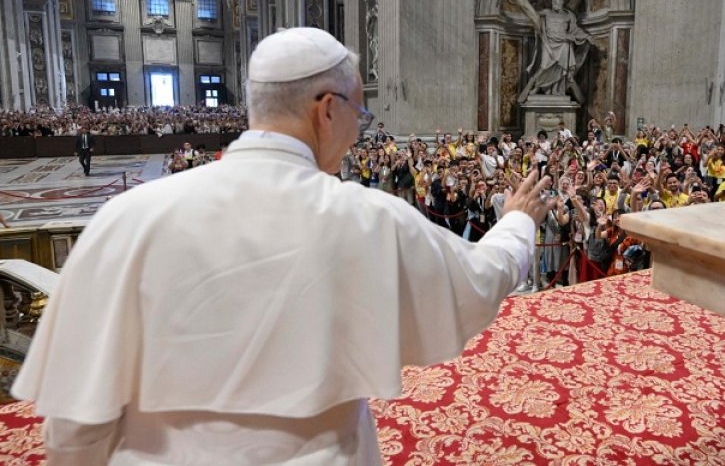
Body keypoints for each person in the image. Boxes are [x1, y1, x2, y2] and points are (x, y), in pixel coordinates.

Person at [13, 28, 554, 465]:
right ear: (327, 110)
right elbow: (481, 280)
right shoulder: (364, 217)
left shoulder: (127, 218)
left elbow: (75, 425)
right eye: (359, 117)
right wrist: (517, 224)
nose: (357, 133)